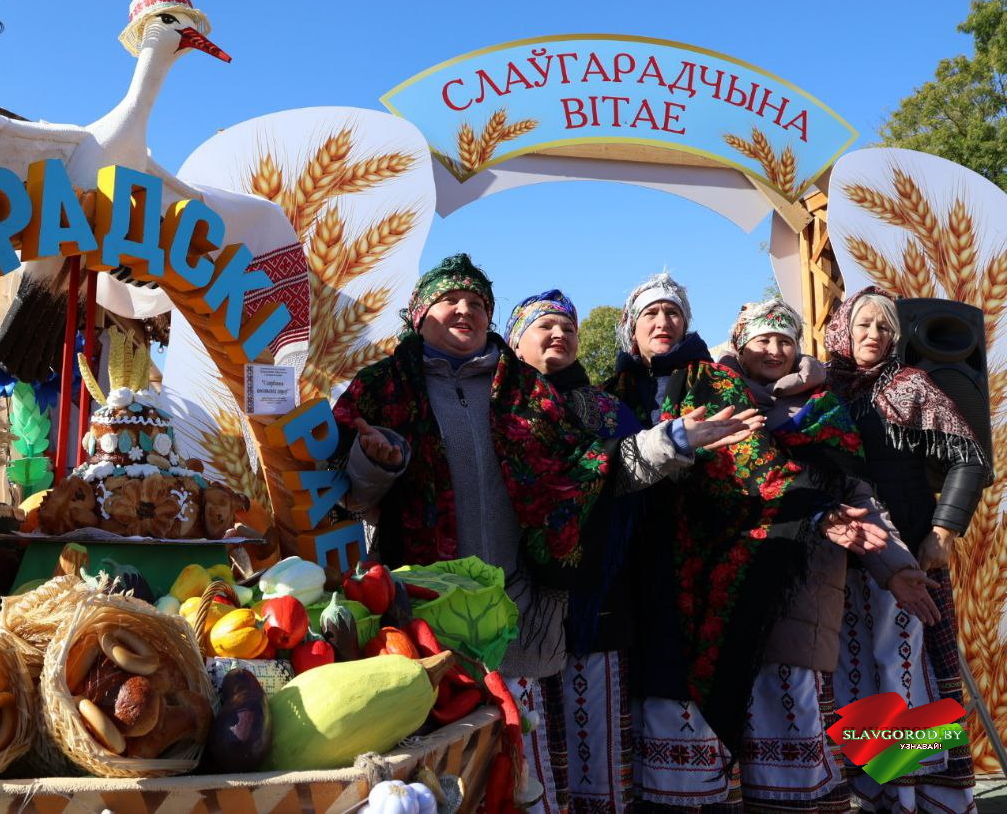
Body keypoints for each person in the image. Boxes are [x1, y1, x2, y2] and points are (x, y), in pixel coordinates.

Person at [332, 259, 755, 813]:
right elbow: (344, 497)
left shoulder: (527, 392)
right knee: (435, 776)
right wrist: (375, 463)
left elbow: (592, 468)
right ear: (419, 314)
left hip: (514, 614)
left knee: (521, 772)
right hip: (419, 619)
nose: (465, 310)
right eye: (451, 300)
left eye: (478, 303)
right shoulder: (380, 389)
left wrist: (669, 440)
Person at [604, 273, 886, 811]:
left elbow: (754, 461)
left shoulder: (712, 382)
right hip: (625, 564)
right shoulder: (610, 391)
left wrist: (815, 511)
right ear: (631, 327)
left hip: (698, 561)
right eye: (651, 314)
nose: (663, 322)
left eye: (673, 313)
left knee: (689, 686)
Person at [503, 288, 759, 812]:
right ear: (515, 341)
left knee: (598, 750)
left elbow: (628, 472)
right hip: (516, 597)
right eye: (545, 326)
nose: (559, 335)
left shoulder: (608, 407)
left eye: (568, 328)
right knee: (528, 749)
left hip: (611, 593)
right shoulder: (496, 406)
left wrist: (678, 447)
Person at [718, 298, 939, 812]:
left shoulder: (828, 406)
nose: (774, 349)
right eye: (762, 339)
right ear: (740, 345)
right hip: (736, 580)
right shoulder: (717, 395)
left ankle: (905, 793)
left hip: (824, 579)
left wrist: (905, 561)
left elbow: (860, 495)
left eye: (785, 340)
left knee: (833, 701)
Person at [824, 288, 990, 813]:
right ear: (843, 330)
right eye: (864, 324)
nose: (873, 335)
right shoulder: (822, 391)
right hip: (843, 563)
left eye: (885, 327)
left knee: (907, 676)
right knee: (857, 678)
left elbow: (971, 460)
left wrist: (943, 530)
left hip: (908, 560)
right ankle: (879, 795)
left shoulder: (910, 385)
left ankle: (924, 797)